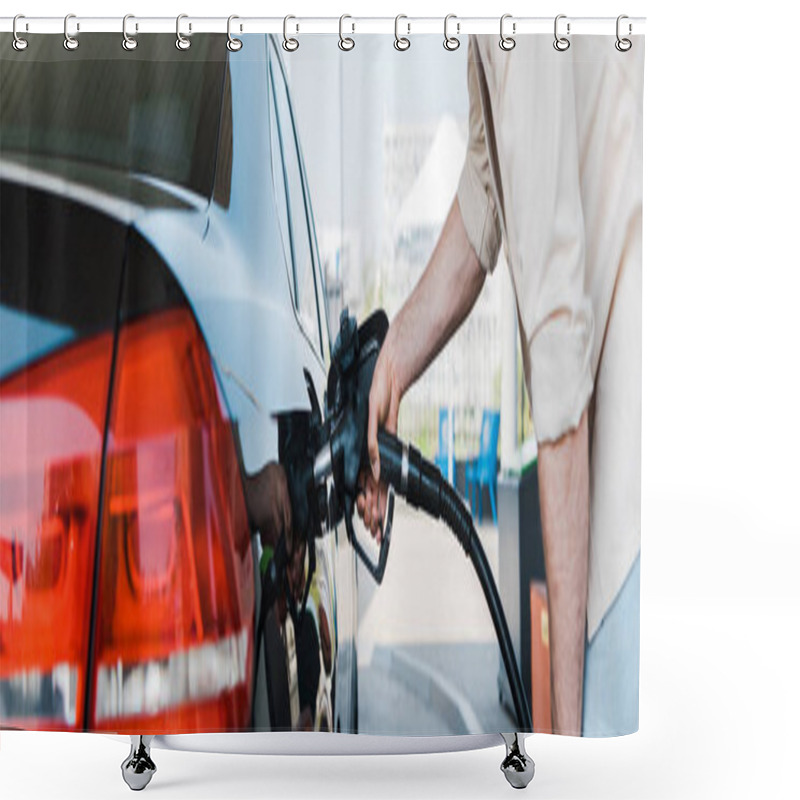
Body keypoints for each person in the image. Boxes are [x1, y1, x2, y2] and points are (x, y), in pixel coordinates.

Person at [356, 33, 642, 737]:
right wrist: (393, 365)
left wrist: (564, 738)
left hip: (629, 514)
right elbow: (489, 183)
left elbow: (557, 330)